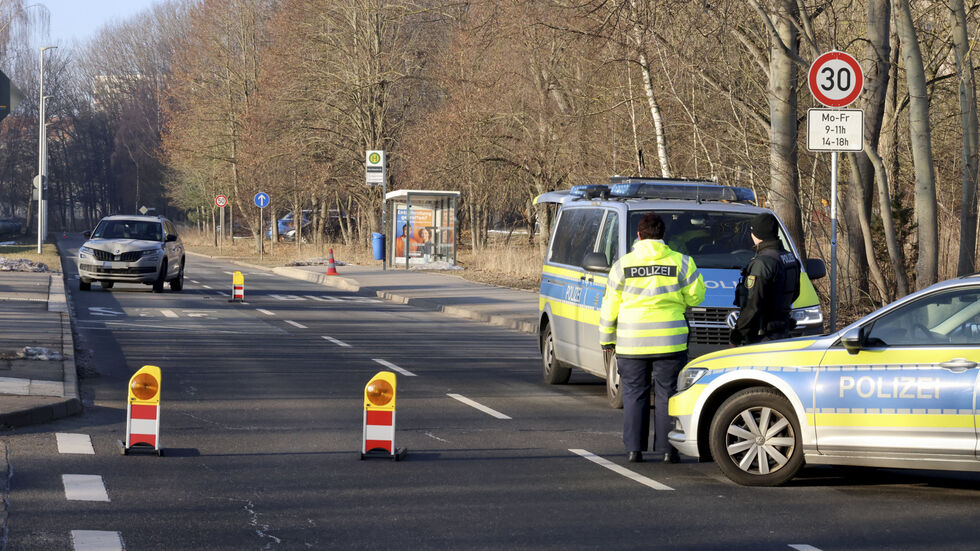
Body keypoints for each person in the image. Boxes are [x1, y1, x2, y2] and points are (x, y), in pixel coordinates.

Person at [599, 212, 706, 463]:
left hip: (631, 341)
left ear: (639, 235)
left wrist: (606, 340)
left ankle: (634, 450)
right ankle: (668, 450)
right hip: (670, 341)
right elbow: (697, 297)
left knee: (634, 393)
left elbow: (609, 307)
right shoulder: (682, 262)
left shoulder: (622, 265)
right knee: (667, 393)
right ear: (662, 235)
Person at [729, 213, 801, 346]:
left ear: (757, 234)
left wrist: (737, 334)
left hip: (762, 336)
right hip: (782, 330)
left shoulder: (762, 263)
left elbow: (753, 305)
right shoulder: (789, 258)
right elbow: (795, 293)